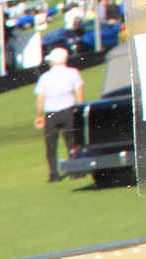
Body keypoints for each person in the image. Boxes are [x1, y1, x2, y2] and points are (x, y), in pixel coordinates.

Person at [35, 47, 85, 181]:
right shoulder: (73, 72)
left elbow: (40, 99)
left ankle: (53, 174)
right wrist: (80, 109)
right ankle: (75, 171)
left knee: (51, 145)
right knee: (72, 142)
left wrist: (39, 115)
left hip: (51, 114)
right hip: (69, 111)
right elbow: (79, 93)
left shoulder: (45, 77)